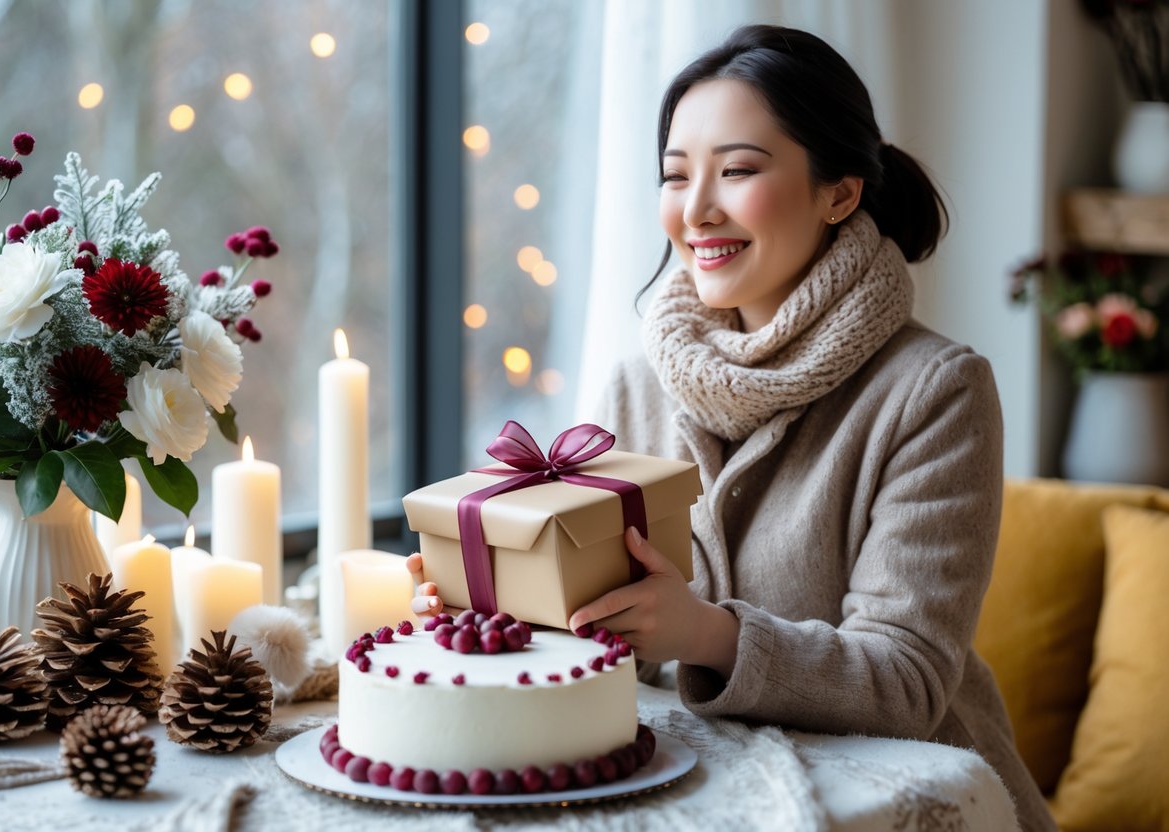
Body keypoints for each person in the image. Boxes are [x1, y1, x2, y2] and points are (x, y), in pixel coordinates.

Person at [407, 24, 1054, 831]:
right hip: (682, 794)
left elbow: (907, 683)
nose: (697, 209)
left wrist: (706, 634)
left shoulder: (934, 391)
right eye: (675, 177)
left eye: (738, 170)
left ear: (839, 192)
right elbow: (596, 637)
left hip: (900, 803)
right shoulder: (633, 385)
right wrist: (502, 602)